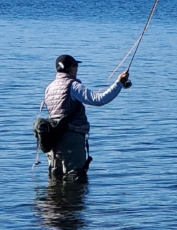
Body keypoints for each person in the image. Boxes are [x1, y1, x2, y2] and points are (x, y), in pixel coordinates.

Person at [43, 54, 131, 182]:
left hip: (52, 142)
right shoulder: (72, 86)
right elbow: (99, 99)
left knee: (55, 181)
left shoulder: (49, 88)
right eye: (75, 66)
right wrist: (119, 83)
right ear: (70, 69)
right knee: (75, 181)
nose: (77, 69)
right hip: (71, 142)